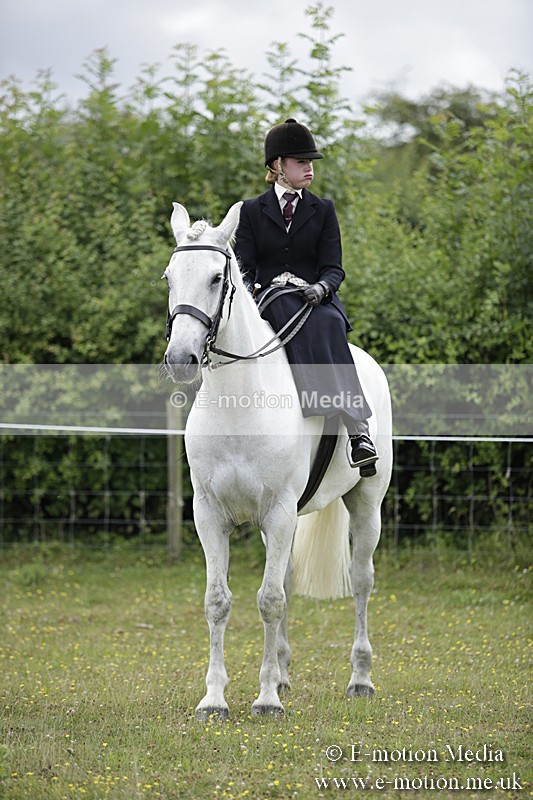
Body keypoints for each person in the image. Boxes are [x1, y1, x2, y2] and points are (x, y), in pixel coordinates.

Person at [233, 118, 378, 475]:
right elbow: (244, 267)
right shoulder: (250, 211)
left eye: (311, 162)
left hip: (315, 298)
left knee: (330, 322)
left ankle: (358, 429)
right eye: (301, 161)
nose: (309, 168)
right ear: (277, 166)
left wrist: (322, 288)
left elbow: (334, 268)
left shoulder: (323, 209)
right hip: (269, 298)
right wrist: (252, 293)